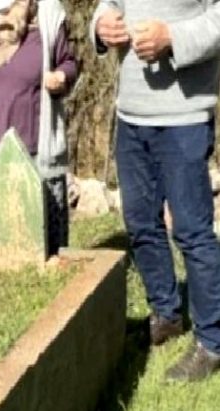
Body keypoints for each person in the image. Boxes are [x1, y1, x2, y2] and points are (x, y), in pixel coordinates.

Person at [92, 0, 220, 382]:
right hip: (130, 116)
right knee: (141, 223)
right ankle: (166, 315)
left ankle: (211, 342)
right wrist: (101, 26)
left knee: (192, 231)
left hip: (184, 118)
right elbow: (107, 5)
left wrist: (172, 37)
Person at [0, 0, 79, 258]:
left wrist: (61, 76)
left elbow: (69, 62)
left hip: (38, 150)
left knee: (46, 243)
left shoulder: (48, 18)